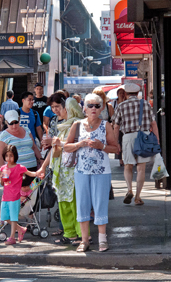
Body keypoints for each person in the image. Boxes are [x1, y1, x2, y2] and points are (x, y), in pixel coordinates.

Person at [64, 94, 118, 252]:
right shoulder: (77, 125)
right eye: (90, 105)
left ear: (101, 108)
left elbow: (115, 148)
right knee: (82, 204)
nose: (93, 108)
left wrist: (101, 146)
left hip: (102, 171)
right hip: (81, 171)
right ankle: (84, 240)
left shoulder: (105, 125)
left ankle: (102, 239)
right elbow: (66, 147)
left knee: (100, 203)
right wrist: (80, 144)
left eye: (97, 105)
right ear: (84, 108)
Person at [37, 96, 84, 245]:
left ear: (68, 110)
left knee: (74, 203)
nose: (58, 111)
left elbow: (70, 146)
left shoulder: (77, 125)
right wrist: (44, 167)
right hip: (62, 172)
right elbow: (55, 150)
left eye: (62, 107)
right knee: (64, 203)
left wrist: (56, 143)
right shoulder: (63, 125)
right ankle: (70, 233)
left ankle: (81, 234)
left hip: (73, 172)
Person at [112, 83, 160, 206]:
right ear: (138, 93)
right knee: (141, 168)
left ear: (126, 94)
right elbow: (153, 124)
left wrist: (115, 142)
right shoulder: (146, 105)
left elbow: (116, 126)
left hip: (127, 137)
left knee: (128, 166)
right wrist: (157, 140)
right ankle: (138, 197)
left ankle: (129, 189)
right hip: (143, 137)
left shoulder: (121, 106)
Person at [0, 110, 42, 229]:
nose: (14, 126)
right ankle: (7, 219)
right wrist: (4, 170)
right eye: (11, 123)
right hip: (15, 171)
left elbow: (34, 146)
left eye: (16, 122)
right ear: (6, 122)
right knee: (14, 195)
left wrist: (41, 160)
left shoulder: (26, 129)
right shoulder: (4, 136)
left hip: (30, 168)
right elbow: (1, 156)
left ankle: (30, 218)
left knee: (31, 193)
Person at [0, 145, 38, 245]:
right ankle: (21, 229)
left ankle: (12, 237)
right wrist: (0, 178)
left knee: (13, 217)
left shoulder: (20, 168)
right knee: (4, 217)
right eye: (6, 156)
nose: (8, 158)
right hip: (5, 197)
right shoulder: (3, 168)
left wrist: (39, 173)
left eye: (11, 155)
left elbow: (31, 174)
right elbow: (2, 184)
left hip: (15, 196)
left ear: (15, 156)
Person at [112, 86, 126, 166]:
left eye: (123, 93)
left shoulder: (126, 102)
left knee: (125, 143)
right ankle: (120, 159)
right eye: (120, 93)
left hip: (125, 126)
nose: (122, 95)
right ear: (117, 94)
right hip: (117, 126)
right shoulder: (114, 103)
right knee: (118, 142)